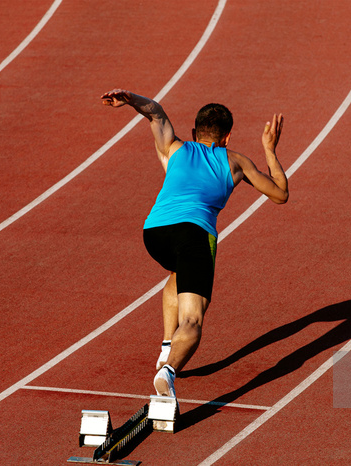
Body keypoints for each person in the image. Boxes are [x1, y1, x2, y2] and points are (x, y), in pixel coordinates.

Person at [101, 89, 288, 399]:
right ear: (227, 137)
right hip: (194, 234)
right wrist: (270, 149)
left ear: (193, 132)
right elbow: (281, 194)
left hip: (155, 233)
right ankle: (167, 372)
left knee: (179, 274)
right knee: (193, 318)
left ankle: (166, 347)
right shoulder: (236, 160)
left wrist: (130, 98)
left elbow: (155, 112)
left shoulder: (174, 148)